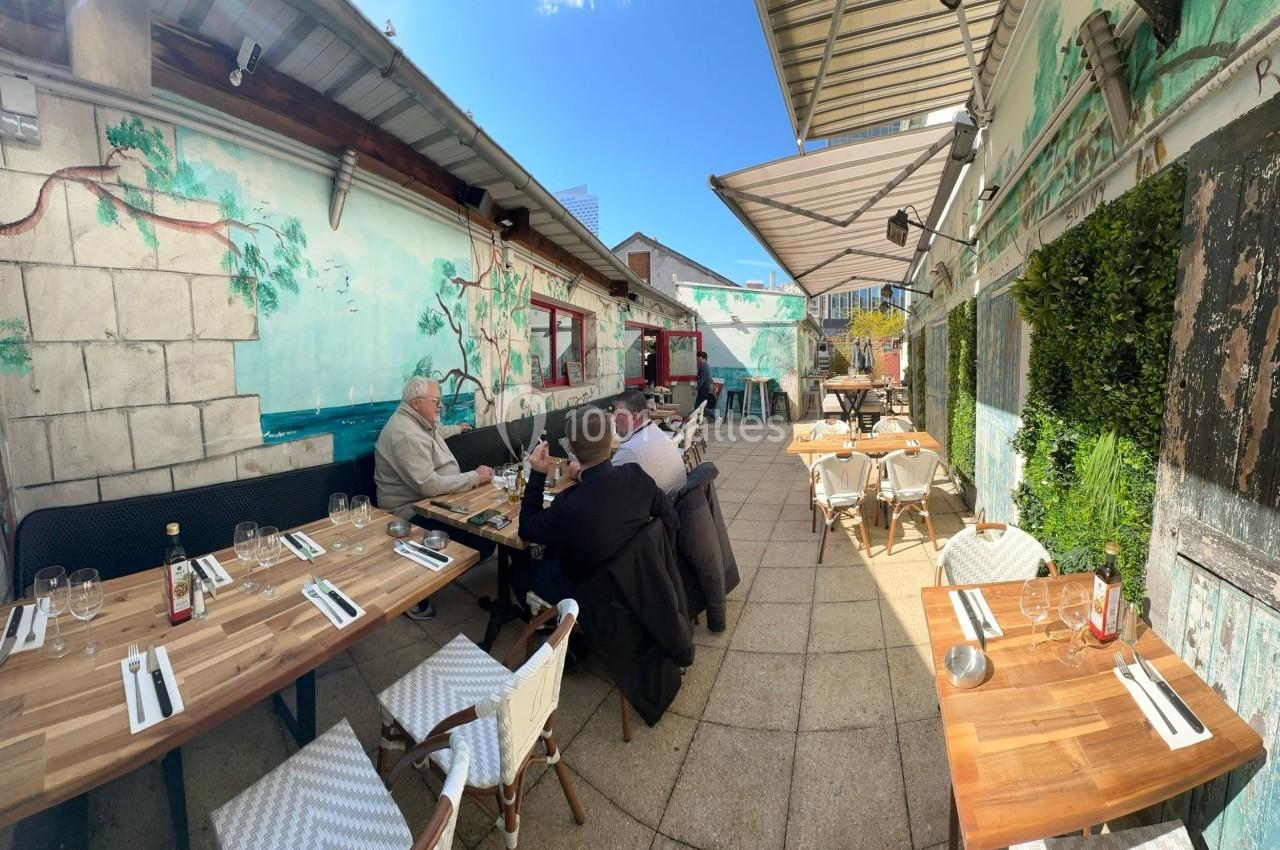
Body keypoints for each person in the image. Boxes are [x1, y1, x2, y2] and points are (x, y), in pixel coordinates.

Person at [512, 406, 678, 612]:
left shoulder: (569, 505)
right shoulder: (637, 477)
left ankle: (556, 628)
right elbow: (669, 514)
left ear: (571, 448)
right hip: (636, 582)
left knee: (518, 570)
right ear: (611, 441)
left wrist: (538, 474)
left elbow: (526, 528)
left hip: (588, 593)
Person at [374, 377, 495, 619]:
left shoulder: (416, 421)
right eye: (436, 401)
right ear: (417, 403)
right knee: (482, 540)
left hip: (435, 503)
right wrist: (473, 477)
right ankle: (415, 589)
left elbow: (435, 432)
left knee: (487, 527)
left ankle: (431, 574)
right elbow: (427, 486)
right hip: (410, 512)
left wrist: (457, 429)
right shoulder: (405, 434)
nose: (440, 406)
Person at [695, 350, 716, 420]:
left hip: (703, 389)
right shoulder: (706, 365)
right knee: (697, 405)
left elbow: (702, 379)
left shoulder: (703, 366)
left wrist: (696, 388)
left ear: (701, 357)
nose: (697, 359)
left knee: (700, 406)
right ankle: (696, 419)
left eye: (698, 357)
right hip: (704, 388)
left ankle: (715, 416)